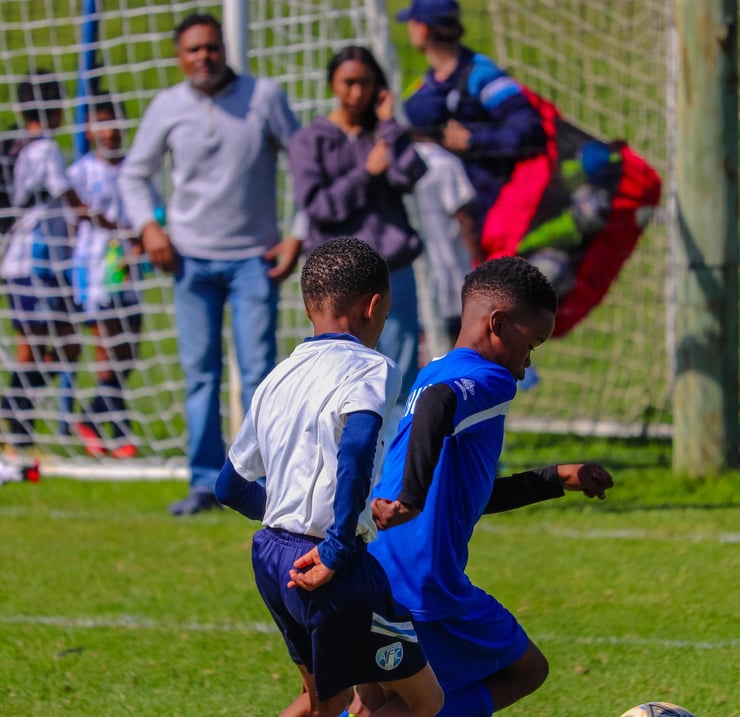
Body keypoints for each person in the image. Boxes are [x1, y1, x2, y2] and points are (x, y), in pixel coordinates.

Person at [350, 256, 614, 717]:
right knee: (522, 672)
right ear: (498, 324)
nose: (526, 366)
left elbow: (465, 497)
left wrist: (556, 478)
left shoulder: (436, 369)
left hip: (377, 565)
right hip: (424, 582)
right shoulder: (489, 379)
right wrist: (410, 499)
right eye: (531, 345)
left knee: (374, 701)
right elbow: (438, 406)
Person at [214, 236, 444, 717]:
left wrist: (291, 515)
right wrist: (338, 545)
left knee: (328, 702)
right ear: (374, 306)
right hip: (330, 564)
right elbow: (357, 449)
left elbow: (229, 486)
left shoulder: (277, 376)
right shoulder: (372, 368)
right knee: (422, 701)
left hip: (272, 556)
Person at [119, 13, 303, 514]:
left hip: (254, 262)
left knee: (261, 374)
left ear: (224, 49)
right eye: (193, 50)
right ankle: (205, 482)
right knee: (200, 375)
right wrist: (149, 227)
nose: (203, 57)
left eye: (211, 47)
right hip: (190, 263)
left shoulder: (264, 97)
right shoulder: (166, 107)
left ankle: (267, 482)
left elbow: (306, 165)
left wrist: (298, 235)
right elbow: (134, 176)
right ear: (180, 57)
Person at [288, 45, 427, 417]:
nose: (357, 92)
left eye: (366, 84)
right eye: (349, 83)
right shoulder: (310, 140)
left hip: (392, 267)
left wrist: (390, 124)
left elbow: (410, 174)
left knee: (398, 370)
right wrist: (366, 172)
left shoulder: (384, 134)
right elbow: (318, 206)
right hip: (338, 278)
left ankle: (394, 468)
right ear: (332, 83)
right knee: (337, 372)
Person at [395, 0, 547, 236]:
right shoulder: (425, 87)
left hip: (497, 213)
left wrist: (473, 139)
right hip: (448, 217)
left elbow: (530, 129)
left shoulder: (482, 76)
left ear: (422, 29)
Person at [0, 71, 92, 449]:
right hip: (33, 264)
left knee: (52, 346)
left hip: (25, 264)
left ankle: (15, 415)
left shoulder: (19, 146)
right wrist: (114, 224)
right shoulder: (46, 150)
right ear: (54, 109)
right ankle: (14, 417)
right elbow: (70, 199)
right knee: (53, 345)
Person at [68, 93, 150, 459]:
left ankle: (89, 417)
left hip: (128, 272)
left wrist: (141, 242)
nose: (110, 132)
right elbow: (70, 222)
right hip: (95, 274)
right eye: (102, 123)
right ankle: (116, 430)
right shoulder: (80, 172)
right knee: (107, 353)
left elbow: (153, 212)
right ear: (89, 130)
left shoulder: (135, 170)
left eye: (115, 123)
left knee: (128, 352)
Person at [410, 129, 479, 344]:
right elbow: (463, 219)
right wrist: (480, 262)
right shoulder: (444, 162)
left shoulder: (395, 157)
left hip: (412, 277)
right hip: (450, 271)